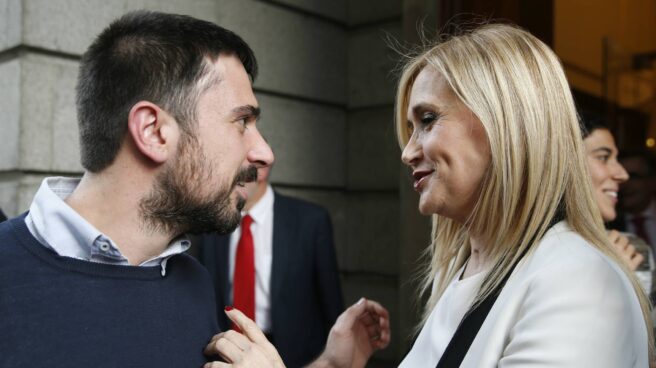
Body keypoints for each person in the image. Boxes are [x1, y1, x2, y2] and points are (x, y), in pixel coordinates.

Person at [209, 24, 652, 367]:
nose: (407, 152)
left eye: (427, 119)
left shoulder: (577, 283)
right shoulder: (462, 274)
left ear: (505, 123)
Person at [0, 11, 389, 367]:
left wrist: (330, 365)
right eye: (242, 122)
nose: (265, 152)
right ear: (153, 132)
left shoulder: (195, 283)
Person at [195, 165, 344, 367]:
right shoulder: (210, 223)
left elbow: (332, 307)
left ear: (260, 171)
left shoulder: (310, 221)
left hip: (295, 358)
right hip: (226, 354)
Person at [580, 113, 654, 294]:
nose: (623, 175)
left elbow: (646, 321)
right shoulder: (528, 250)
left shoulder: (631, 249)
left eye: (616, 159)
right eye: (603, 157)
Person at [617, 150, 656, 253]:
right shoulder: (608, 225)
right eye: (620, 179)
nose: (625, 185)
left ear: (652, 181)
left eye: (633, 177)